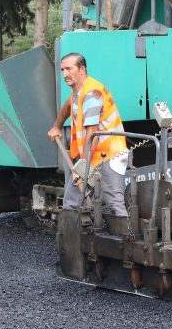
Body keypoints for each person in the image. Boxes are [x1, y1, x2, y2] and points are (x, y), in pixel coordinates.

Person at [47, 53, 129, 217]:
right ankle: (73, 241)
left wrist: (83, 168)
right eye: (62, 70)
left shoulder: (92, 92)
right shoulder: (78, 92)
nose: (64, 74)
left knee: (114, 203)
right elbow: (67, 105)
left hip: (109, 155)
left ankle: (125, 239)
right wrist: (56, 126)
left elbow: (93, 133)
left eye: (69, 69)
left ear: (82, 69)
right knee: (72, 201)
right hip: (92, 156)